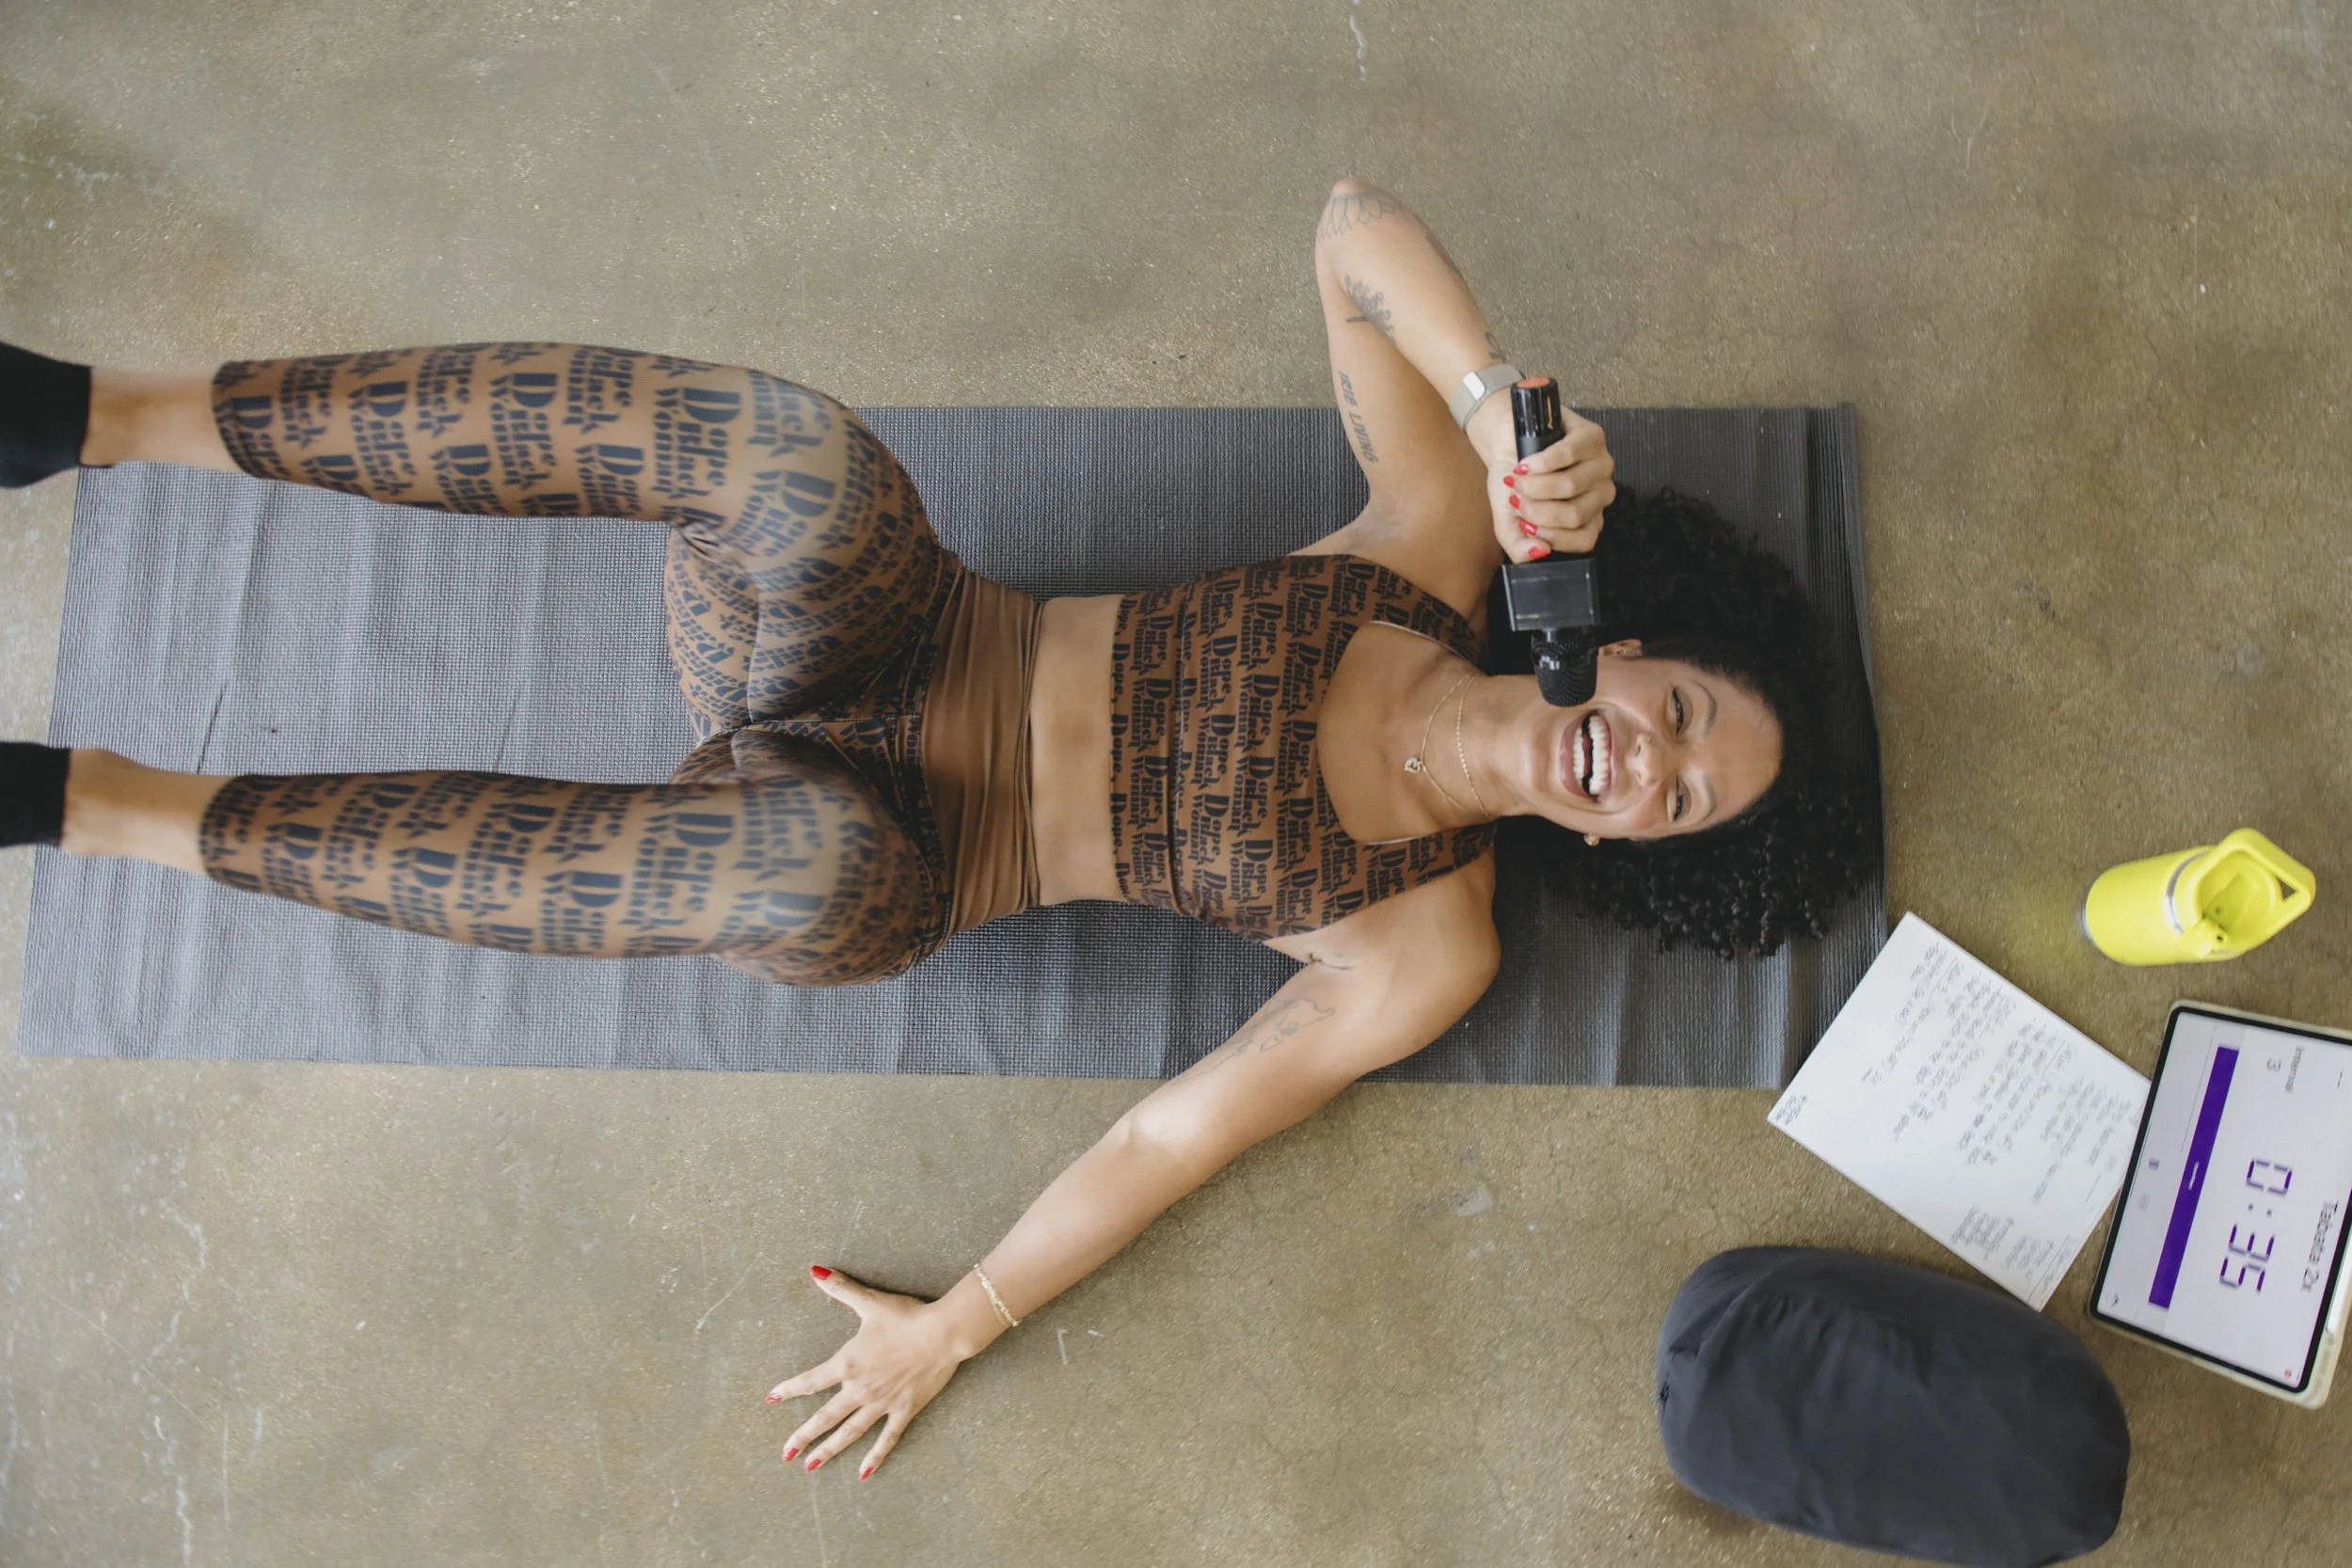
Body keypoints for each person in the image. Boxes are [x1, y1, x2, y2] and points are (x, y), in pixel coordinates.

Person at [0, 180, 1874, 1479]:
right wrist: (1491, 408)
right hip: (869, 629)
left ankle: (74, 802)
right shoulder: (1436, 542)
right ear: (1635, 649)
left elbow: (1171, 1131)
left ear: (1636, 849)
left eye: (1682, 800)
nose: (1647, 762)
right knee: (798, 459)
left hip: (868, 849)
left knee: (799, 872)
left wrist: (951, 1326)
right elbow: (1346, 228)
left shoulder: (1424, 938)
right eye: (1683, 716)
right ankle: (81, 415)